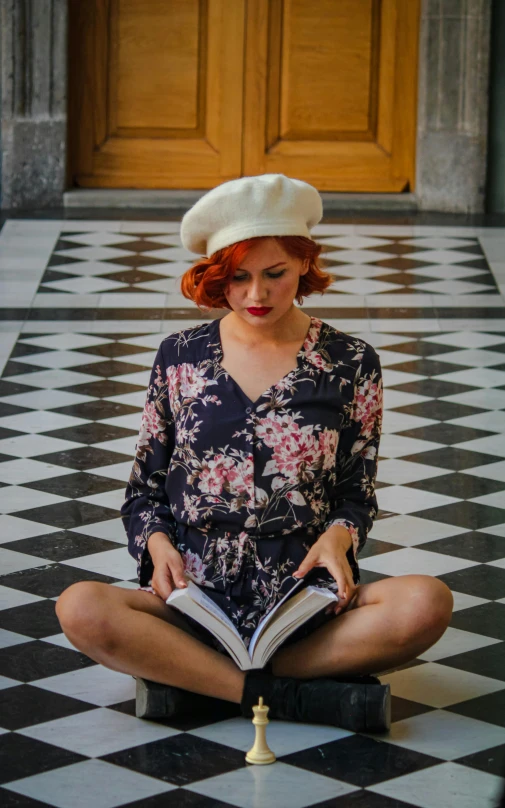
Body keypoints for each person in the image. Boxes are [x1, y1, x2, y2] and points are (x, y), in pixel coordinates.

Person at [55, 174, 453, 732]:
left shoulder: (350, 361)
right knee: (79, 607)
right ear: (216, 278)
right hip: (194, 598)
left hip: (305, 600)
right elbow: (144, 489)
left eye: (275, 275)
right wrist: (157, 545)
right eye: (238, 278)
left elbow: (356, 493)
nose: (256, 295)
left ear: (304, 267)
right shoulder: (180, 357)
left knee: (426, 602)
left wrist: (339, 540)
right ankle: (289, 697)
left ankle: (204, 686)